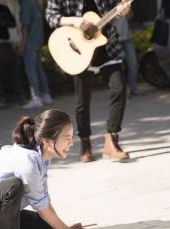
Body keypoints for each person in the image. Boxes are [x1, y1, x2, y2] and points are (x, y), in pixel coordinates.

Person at [46, 0, 131, 162]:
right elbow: (51, 17)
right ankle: (85, 143)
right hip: (79, 50)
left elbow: (115, 7)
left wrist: (122, 10)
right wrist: (75, 21)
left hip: (107, 47)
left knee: (119, 88)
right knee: (82, 100)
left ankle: (111, 140)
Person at [19, 0, 54, 109]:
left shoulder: (26, 3)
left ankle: (36, 97)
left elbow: (26, 26)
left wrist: (22, 44)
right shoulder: (35, 2)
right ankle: (46, 94)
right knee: (38, 68)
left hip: (30, 41)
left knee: (30, 69)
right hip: (38, 39)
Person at [113, 15, 143, 99]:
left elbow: (130, 15)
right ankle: (121, 92)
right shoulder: (108, 2)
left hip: (127, 37)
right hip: (114, 39)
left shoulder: (124, 2)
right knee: (118, 67)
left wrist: (126, 10)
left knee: (133, 65)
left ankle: (134, 90)